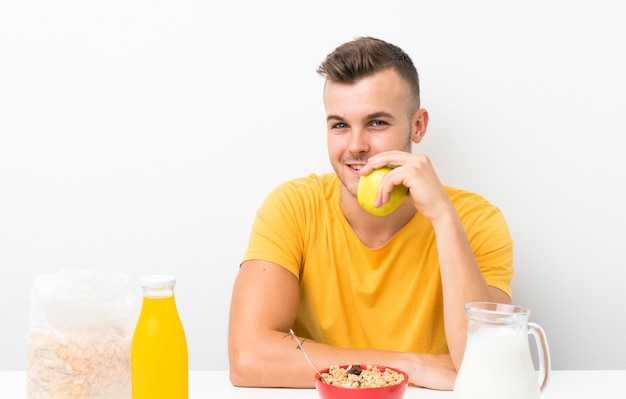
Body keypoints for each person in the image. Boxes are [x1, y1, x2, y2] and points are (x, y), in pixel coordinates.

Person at [228, 36, 514, 390]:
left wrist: (442, 217)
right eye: (340, 125)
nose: (355, 146)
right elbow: (249, 359)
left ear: (418, 126)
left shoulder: (475, 221)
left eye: (377, 123)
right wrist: (408, 366)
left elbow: (486, 365)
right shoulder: (293, 208)